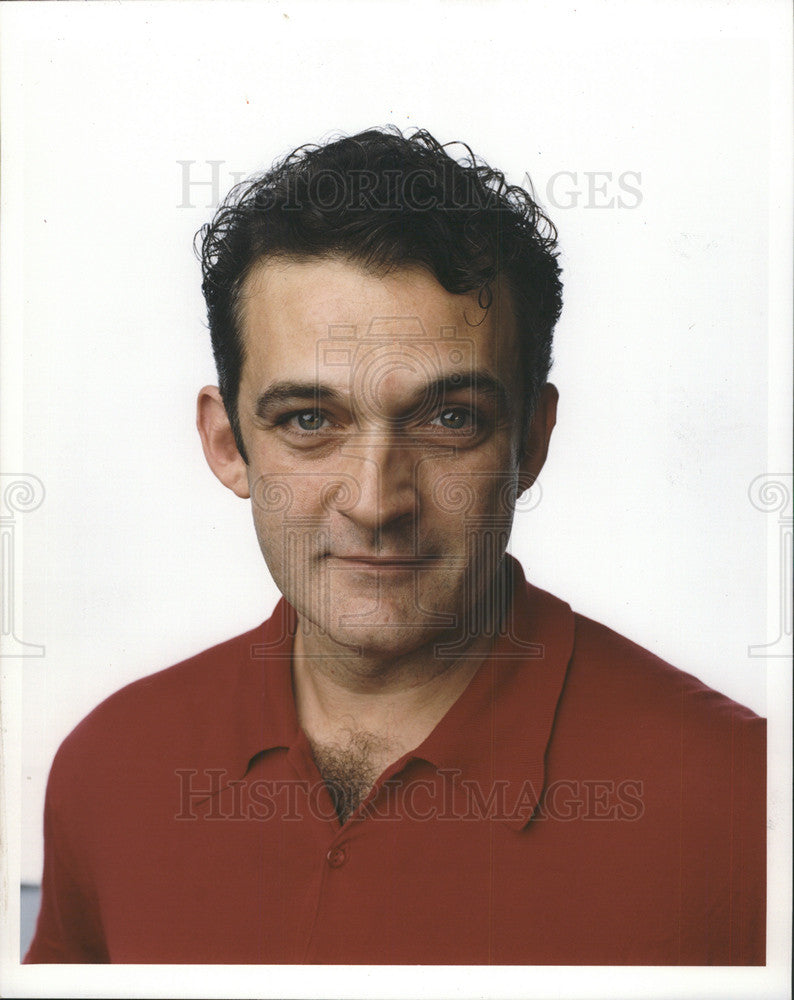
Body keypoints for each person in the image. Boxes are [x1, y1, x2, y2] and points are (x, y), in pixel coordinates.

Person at [25, 126, 765, 965]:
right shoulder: (111, 769)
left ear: (531, 441)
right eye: (310, 421)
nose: (377, 503)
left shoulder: (742, 800)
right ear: (228, 444)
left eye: (449, 420)